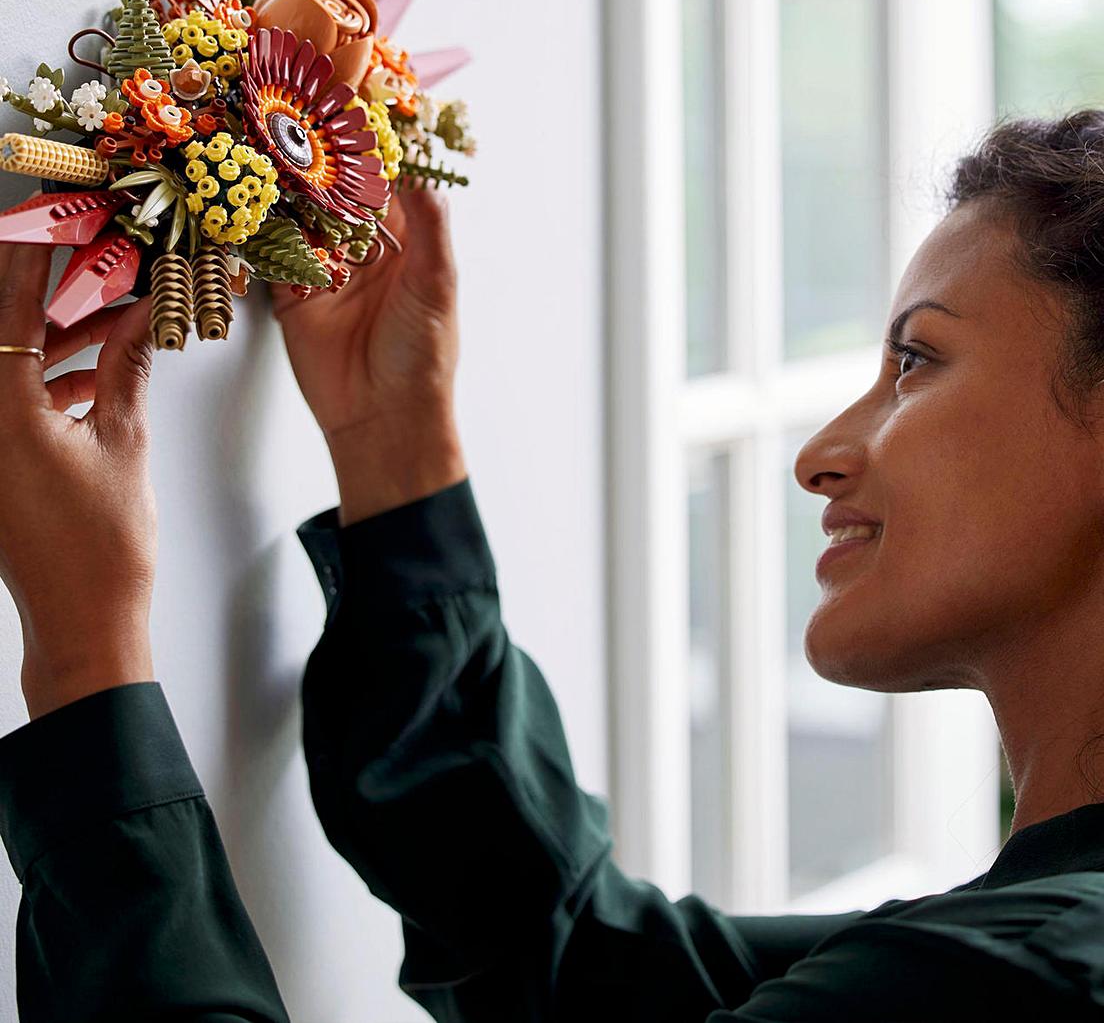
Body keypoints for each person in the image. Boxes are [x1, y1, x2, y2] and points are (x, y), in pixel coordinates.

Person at [2, 110, 1104, 1020]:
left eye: (916, 358)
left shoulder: (1016, 974)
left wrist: (87, 654)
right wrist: (393, 443)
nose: (820, 454)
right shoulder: (1028, 941)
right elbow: (576, 962)